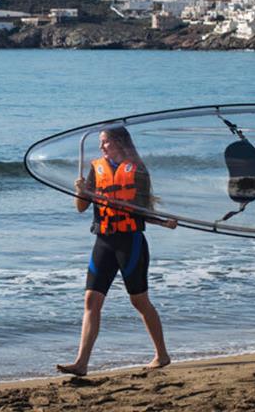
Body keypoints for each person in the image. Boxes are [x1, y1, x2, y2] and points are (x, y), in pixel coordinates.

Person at [57, 126, 177, 376]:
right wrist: (80, 190)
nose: (102, 147)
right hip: (103, 241)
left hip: (130, 241)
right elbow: (81, 208)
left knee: (139, 301)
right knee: (91, 299)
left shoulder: (138, 170)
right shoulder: (96, 168)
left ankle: (162, 354)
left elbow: (143, 210)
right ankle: (81, 363)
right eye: (101, 143)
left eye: (106, 142)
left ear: (120, 143)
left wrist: (164, 222)